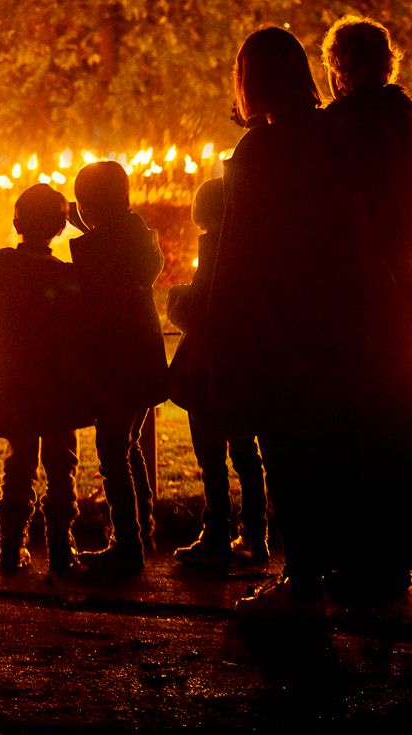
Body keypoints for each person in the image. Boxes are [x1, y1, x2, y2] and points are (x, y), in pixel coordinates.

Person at [208, 27, 397, 620]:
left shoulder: (259, 153)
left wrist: (220, 322)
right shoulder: (331, 135)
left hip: (280, 323)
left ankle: (301, 581)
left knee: (287, 450)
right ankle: (325, 569)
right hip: (340, 317)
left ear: (249, 82)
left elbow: (238, 252)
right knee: (329, 446)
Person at [321, 15, 412, 596]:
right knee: (394, 409)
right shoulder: (407, 128)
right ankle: (394, 549)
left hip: (346, 286)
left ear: (339, 66)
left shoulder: (336, 130)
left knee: (346, 413)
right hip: (397, 285)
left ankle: (352, 549)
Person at [0, 184, 95, 573]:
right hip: (57, 388)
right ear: (60, 226)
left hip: (15, 387)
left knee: (18, 462)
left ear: (16, 221)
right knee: (61, 464)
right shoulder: (66, 277)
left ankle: (11, 545)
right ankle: (59, 546)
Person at [68, 161, 170, 577]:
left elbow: (90, 296)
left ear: (90, 207)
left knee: (112, 452)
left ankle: (127, 544)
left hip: (115, 364)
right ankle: (141, 534)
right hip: (144, 358)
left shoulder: (96, 250)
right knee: (129, 448)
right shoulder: (136, 237)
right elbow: (117, 252)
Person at [167, 178, 268, 572]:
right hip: (242, 364)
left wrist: (176, 299)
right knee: (246, 452)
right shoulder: (252, 248)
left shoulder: (214, 250)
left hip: (208, 367)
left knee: (212, 456)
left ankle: (216, 533)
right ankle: (255, 533)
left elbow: (202, 305)